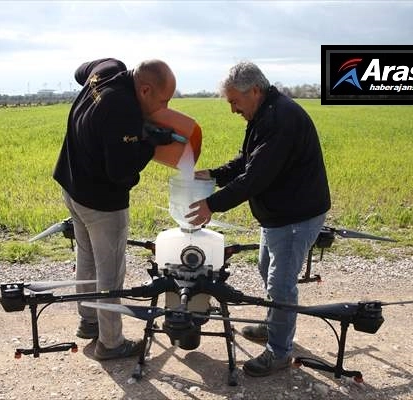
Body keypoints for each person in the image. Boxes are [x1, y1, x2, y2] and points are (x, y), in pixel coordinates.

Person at [186, 61, 331, 377]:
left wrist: (211, 204)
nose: (233, 109)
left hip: (297, 215)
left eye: (234, 101)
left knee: (280, 285)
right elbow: (248, 160)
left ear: (254, 91)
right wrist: (215, 175)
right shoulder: (265, 113)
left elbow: (255, 177)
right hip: (278, 215)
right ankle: (273, 325)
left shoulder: (280, 119)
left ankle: (279, 352)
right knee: (267, 269)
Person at [53, 58, 176, 361]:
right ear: (144, 89)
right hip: (101, 202)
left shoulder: (107, 68)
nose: (165, 107)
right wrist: (148, 144)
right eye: (163, 100)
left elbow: (79, 72)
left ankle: (89, 321)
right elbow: (121, 173)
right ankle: (110, 343)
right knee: (110, 273)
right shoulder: (124, 110)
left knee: (87, 258)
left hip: (72, 185)